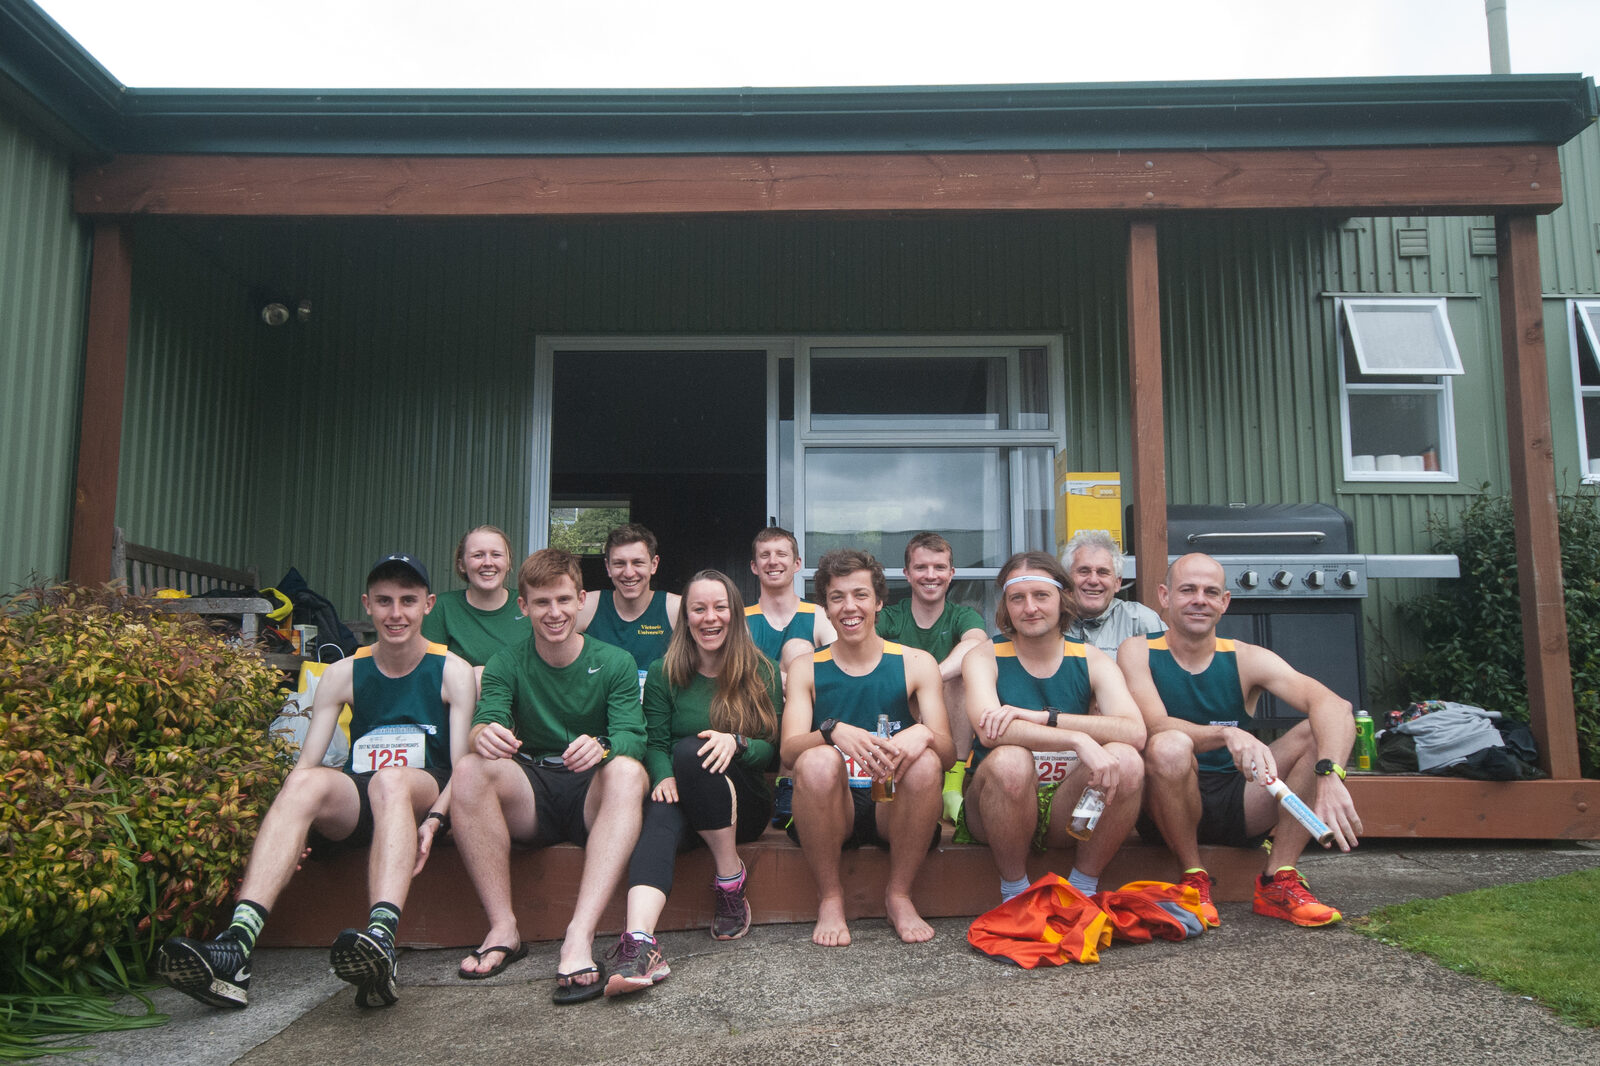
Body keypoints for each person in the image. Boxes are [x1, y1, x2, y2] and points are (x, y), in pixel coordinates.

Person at [156, 554, 475, 1009]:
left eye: (408, 601)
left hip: (424, 792)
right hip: (364, 795)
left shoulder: (452, 671)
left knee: (390, 781)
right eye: (384, 601)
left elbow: (463, 770)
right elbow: (306, 766)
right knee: (304, 784)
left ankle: (381, 941)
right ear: (367, 604)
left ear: (428, 604)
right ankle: (236, 947)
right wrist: (298, 820)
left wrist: (438, 820)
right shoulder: (343, 671)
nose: (396, 613)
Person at [1118, 552, 1362, 928]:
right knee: (1169, 745)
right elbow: (1154, 724)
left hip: (1241, 798)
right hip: (1167, 799)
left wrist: (1330, 775)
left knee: (1318, 730)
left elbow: (1333, 705)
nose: (1199, 599)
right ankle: (1193, 879)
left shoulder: (1247, 658)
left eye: (1210, 592)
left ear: (1224, 602)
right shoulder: (1138, 650)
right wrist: (1228, 733)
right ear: (1165, 597)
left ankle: (1278, 880)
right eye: (1188, 590)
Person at [450, 548, 649, 1003]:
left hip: (589, 792)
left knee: (625, 771)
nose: (554, 613)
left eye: (563, 600)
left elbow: (633, 736)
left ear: (581, 599)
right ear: (523, 607)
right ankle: (503, 928)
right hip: (533, 787)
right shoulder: (506, 662)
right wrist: (483, 735)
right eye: (541, 602)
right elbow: (487, 718)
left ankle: (579, 935)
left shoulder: (614, 661)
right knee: (469, 769)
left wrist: (603, 746)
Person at [606, 570, 783, 997]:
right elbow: (655, 741)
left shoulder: (762, 670)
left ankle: (729, 878)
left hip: (746, 805)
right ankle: (640, 941)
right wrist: (663, 775)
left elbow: (771, 751)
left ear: (735, 614)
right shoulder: (666, 672)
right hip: (685, 800)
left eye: (719, 607)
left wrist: (736, 742)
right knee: (661, 810)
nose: (709, 618)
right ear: (685, 618)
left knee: (691, 749)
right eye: (698, 609)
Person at [779, 548, 955, 947]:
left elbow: (947, 753)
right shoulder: (808, 666)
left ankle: (899, 895)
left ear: (878, 602)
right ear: (825, 607)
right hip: (830, 807)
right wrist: (830, 731)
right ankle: (830, 897)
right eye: (837, 597)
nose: (849, 607)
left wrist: (924, 734)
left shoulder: (915, 662)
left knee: (926, 762)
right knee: (818, 760)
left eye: (860, 595)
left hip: (892, 806)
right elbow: (788, 753)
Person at [958, 551, 1147, 905]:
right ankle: (1014, 896)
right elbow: (991, 731)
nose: (1030, 607)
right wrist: (1077, 739)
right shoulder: (984, 655)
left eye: (1041, 596)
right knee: (1010, 760)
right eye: (1018, 598)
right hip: (997, 808)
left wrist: (1048, 718)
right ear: (1007, 607)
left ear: (1063, 599)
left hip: (1070, 808)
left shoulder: (1092, 659)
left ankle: (1082, 890)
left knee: (1127, 759)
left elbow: (1134, 731)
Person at [874, 532, 987, 821]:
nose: (930, 575)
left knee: (963, 674)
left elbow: (976, 643)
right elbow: (860, 650)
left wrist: (929, 679)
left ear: (951, 574)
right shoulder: (891, 617)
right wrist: (915, 686)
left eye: (939, 567)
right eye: (921, 567)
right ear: (907, 574)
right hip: (900, 712)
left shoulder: (962, 616)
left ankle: (952, 785)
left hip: (946, 720)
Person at [577, 523, 681, 694]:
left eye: (637, 562)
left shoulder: (675, 608)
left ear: (654, 565)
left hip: (658, 716)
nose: (629, 572)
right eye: (619, 563)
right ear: (608, 567)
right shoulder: (587, 606)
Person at [423, 525, 526, 686]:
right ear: (462, 565)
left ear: (508, 563)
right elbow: (428, 670)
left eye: (496, 555)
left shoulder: (527, 605)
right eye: (478, 555)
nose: (488, 563)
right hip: (462, 705)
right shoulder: (442, 607)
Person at [1061, 529, 1164, 659]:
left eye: (1102, 572)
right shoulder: (1053, 622)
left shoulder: (1140, 621)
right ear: (1067, 579)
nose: (1093, 580)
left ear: (1117, 583)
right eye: (1084, 571)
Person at [746, 526, 836, 669]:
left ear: (797, 564)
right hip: (755, 691)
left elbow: (839, 667)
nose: (773, 561)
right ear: (754, 567)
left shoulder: (818, 616)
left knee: (799, 650)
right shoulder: (741, 620)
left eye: (781, 554)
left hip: (807, 690)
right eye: (765, 555)